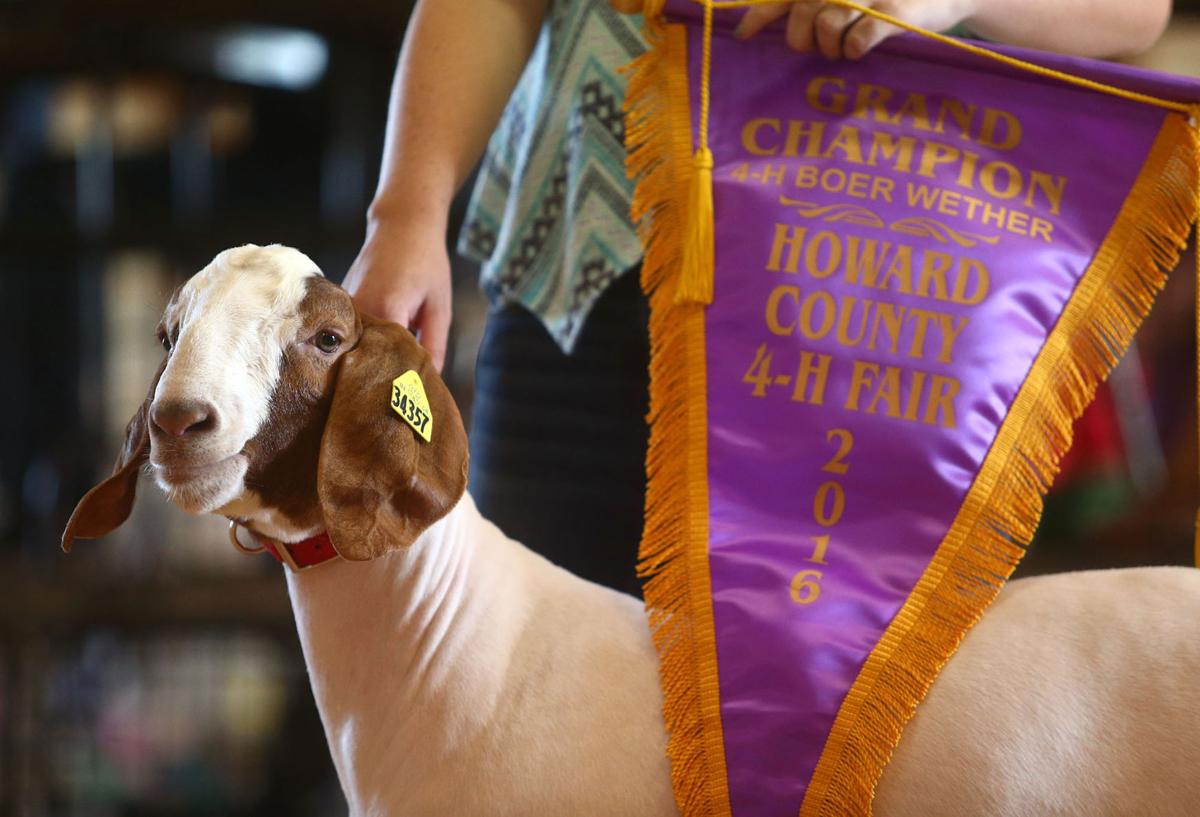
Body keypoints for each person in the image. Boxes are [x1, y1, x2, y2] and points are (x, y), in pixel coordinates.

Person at [343, 0, 1172, 595]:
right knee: (522, 704)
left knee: (856, 747)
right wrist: (408, 208)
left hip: (874, 327)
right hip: (581, 282)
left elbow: (1137, 9)